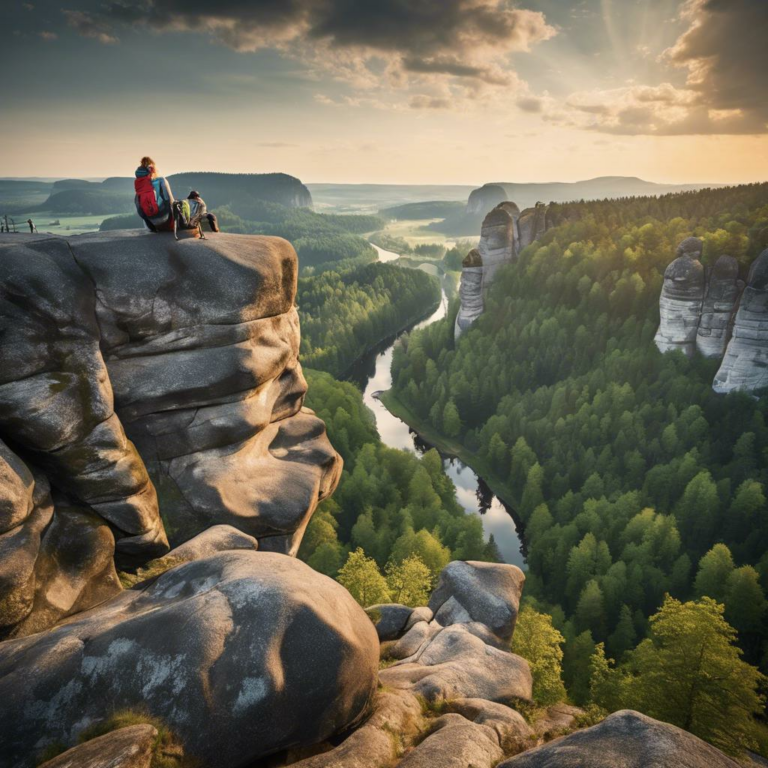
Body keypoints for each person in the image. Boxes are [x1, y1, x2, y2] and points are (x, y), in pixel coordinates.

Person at [134, 156, 174, 232]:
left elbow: (139, 209)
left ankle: (154, 228)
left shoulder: (138, 184)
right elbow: (169, 199)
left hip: (151, 222)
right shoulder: (161, 180)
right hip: (166, 217)